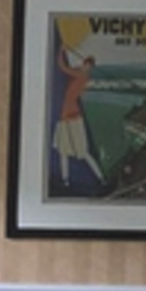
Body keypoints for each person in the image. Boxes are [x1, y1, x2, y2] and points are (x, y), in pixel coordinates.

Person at [48, 45, 100, 196]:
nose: (85, 67)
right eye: (85, 65)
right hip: (65, 117)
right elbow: (68, 68)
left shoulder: (82, 76)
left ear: (90, 69)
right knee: (63, 151)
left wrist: (61, 51)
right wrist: (63, 52)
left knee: (83, 152)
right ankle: (66, 181)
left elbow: (63, 67)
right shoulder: (80, 73)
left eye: (88, 67)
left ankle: (101, 179)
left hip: (74, 118)